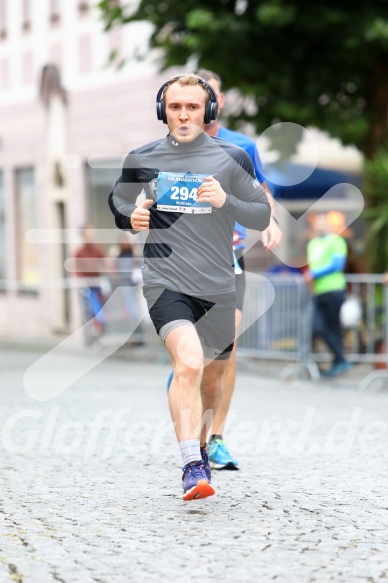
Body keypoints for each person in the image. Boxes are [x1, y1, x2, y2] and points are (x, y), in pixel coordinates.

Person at [108, 74, 271, 501]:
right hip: (166, 280)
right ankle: (191, 465)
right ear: (164, 110)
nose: (184, 115)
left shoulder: (233, 157)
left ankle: (201, 445)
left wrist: (226, 201)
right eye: (176, 106)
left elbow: (259, 213)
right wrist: (132, 216)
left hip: (218, 282)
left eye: (193, 107)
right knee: (189, 364)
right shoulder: (142, 157)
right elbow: (120, 202)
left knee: (212, 381)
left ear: (209, 111)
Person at [193, 68, 283, 471]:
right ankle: (189, 427)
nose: (205, 105)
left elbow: (260, 193)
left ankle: (215, 439)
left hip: (229, 261)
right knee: (192, 358)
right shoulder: (174, 145)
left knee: (225, 354)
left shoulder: (241, 145)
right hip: (184, 262)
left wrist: (272, 222)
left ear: (221, 100)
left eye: (211, 96)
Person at [304, 212, 353, 377]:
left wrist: (315, 274)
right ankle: (337, 360)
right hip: (318, 291)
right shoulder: (313, 243)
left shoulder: (337, 240)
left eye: (324, 222)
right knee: (316, 326)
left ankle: (339, 360)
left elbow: (337, 265)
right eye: (318, 223)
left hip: (334, 289)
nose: (321, 225)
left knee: (330, 327)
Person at [75, 223, 107, 336]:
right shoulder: (80, 252)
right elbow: (77, 268)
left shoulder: (97, 249)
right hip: (85, 285)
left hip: (96, 283)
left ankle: (99, 327)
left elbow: (104, 262)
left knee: (98, 305)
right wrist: (82, 280)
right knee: (87, 308)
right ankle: (90, 331)